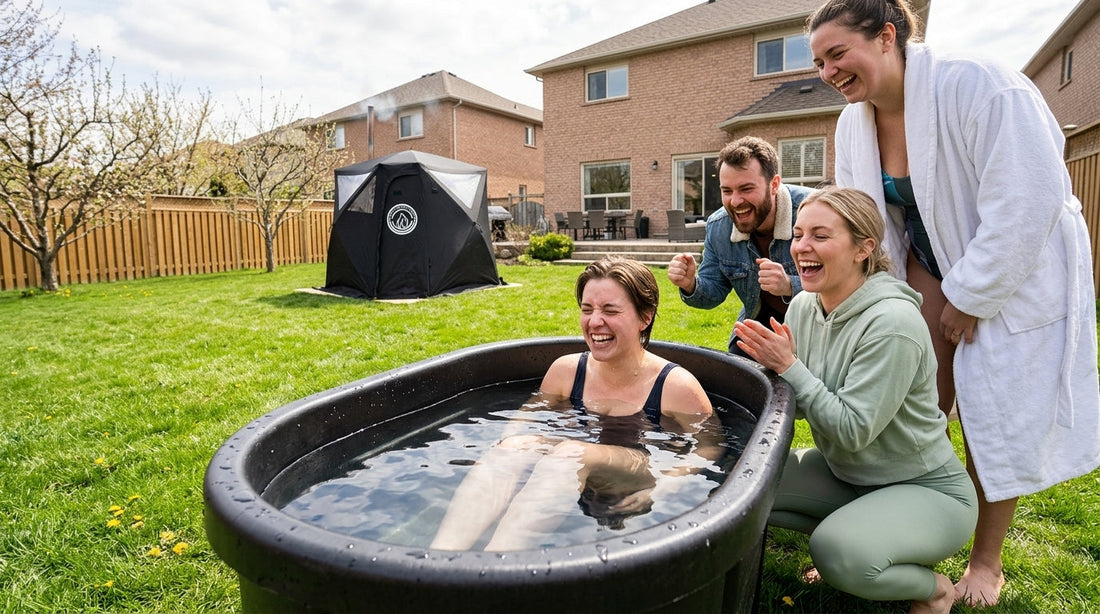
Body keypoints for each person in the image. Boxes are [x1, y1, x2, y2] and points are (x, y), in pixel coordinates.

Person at [807, 0, 1100, 606]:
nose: (828, 71)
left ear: (887, 36)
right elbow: (869, 221)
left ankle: (985, 561)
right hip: (925, 262)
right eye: (819, 61)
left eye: (838, 53)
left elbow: (1031, 196)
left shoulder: (981, 86)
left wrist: (973, 294)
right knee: (915, 403)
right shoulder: (851, 122)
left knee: (996, 414)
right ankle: (889, 536)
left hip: (1014, 266)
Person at [735, 187, 977, 614]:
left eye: (821, 236)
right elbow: (804, 397)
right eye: (798, 233)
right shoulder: (805, 307)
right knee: (742, 487)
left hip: (926, 490)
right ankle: (863, 536)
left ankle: (934, 588)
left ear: (864, 249)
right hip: (849, 477)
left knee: (836, 555)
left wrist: (790, 367)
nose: (802, 247)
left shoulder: (893, 324)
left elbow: (851, 431)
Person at [430, 257, 716, 551]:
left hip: (639, 470)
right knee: (516, 446)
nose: (594, 322)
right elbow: (524, 421)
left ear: (645, 317)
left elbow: (710, 447)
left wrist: (664, 487)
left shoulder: (675, 386)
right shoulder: (566, 372)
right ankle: (441, 560)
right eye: (587, 309)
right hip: (569, 468)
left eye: (610, 310)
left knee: (571, 452)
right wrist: (509, 455)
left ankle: (496, 565)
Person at [667, 136, 814, 355]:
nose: (735, 201)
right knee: (734, 379)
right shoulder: (720, 226)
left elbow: (845, 282)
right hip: (760, 323)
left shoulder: (813, 212)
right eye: (727, 191)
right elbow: (713, 292)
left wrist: (790, 285)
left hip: (817, 326)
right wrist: (690, 285)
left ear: (774, 185)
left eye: (746, 189)